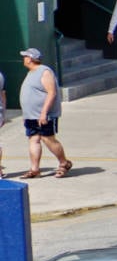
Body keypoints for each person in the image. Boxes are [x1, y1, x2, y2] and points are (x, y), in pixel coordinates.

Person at [15, 47, 71, 180]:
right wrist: (26, 114)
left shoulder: (44, 72)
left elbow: (51, 93)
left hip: (44, 115)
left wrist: (44, 113)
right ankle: (35, 169)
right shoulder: (31, 72)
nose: (23, 59)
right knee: (33, 139)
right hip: (31, 115)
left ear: (31, 59)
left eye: (25, 56)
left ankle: (64, 163)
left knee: (48, 139)